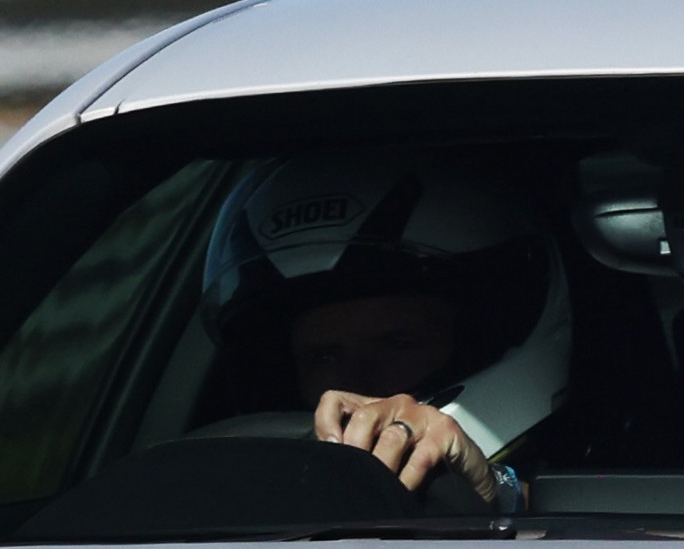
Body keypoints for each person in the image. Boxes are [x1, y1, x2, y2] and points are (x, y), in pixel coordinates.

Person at [243, 163, 569, 499]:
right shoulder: (245, 491)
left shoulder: (594, 468)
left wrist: (497, 493)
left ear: (484, 344)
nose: (353, 383)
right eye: (322, 357)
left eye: (395, 343)